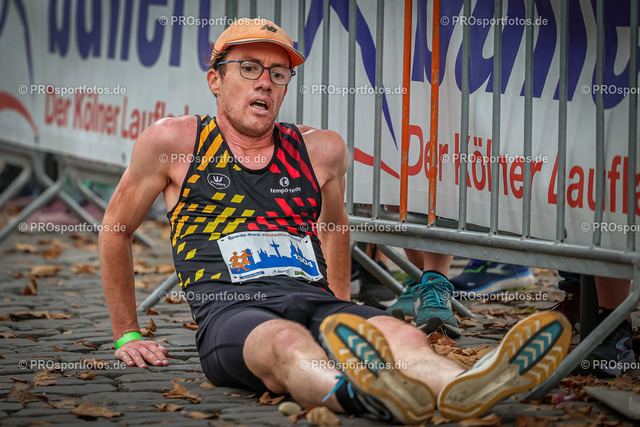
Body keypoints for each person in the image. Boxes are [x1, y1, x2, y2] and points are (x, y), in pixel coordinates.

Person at [99, 18, 572, 424]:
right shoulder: (176, 142)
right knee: (288, 346)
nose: (265, 82)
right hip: (233, 313)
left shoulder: (320, 150)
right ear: (215, 80)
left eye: (278, 74)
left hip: (314, 299)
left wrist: (340, 308)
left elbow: (334, 227)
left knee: (404, 336)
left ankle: (462, 386)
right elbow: (116, 230)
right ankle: (364, 396)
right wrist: (127, 334)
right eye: (249, 68)